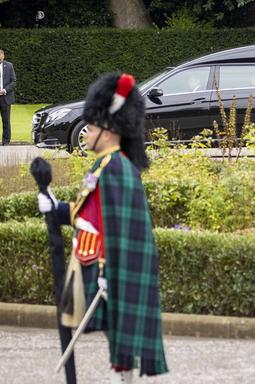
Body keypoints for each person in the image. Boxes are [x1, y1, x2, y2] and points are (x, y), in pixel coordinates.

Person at [37, 72, 168, 383]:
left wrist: (110, 272)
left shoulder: (118, 167)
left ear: (108, 130)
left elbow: (121, 229)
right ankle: (123, 377)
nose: (86, 134)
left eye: (92, 127)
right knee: (115, 332)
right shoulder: (104, 164)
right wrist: (56, 208)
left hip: (105, 265)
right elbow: (91, 214)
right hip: (90, 259)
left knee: (120, 331)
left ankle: (125, 380)